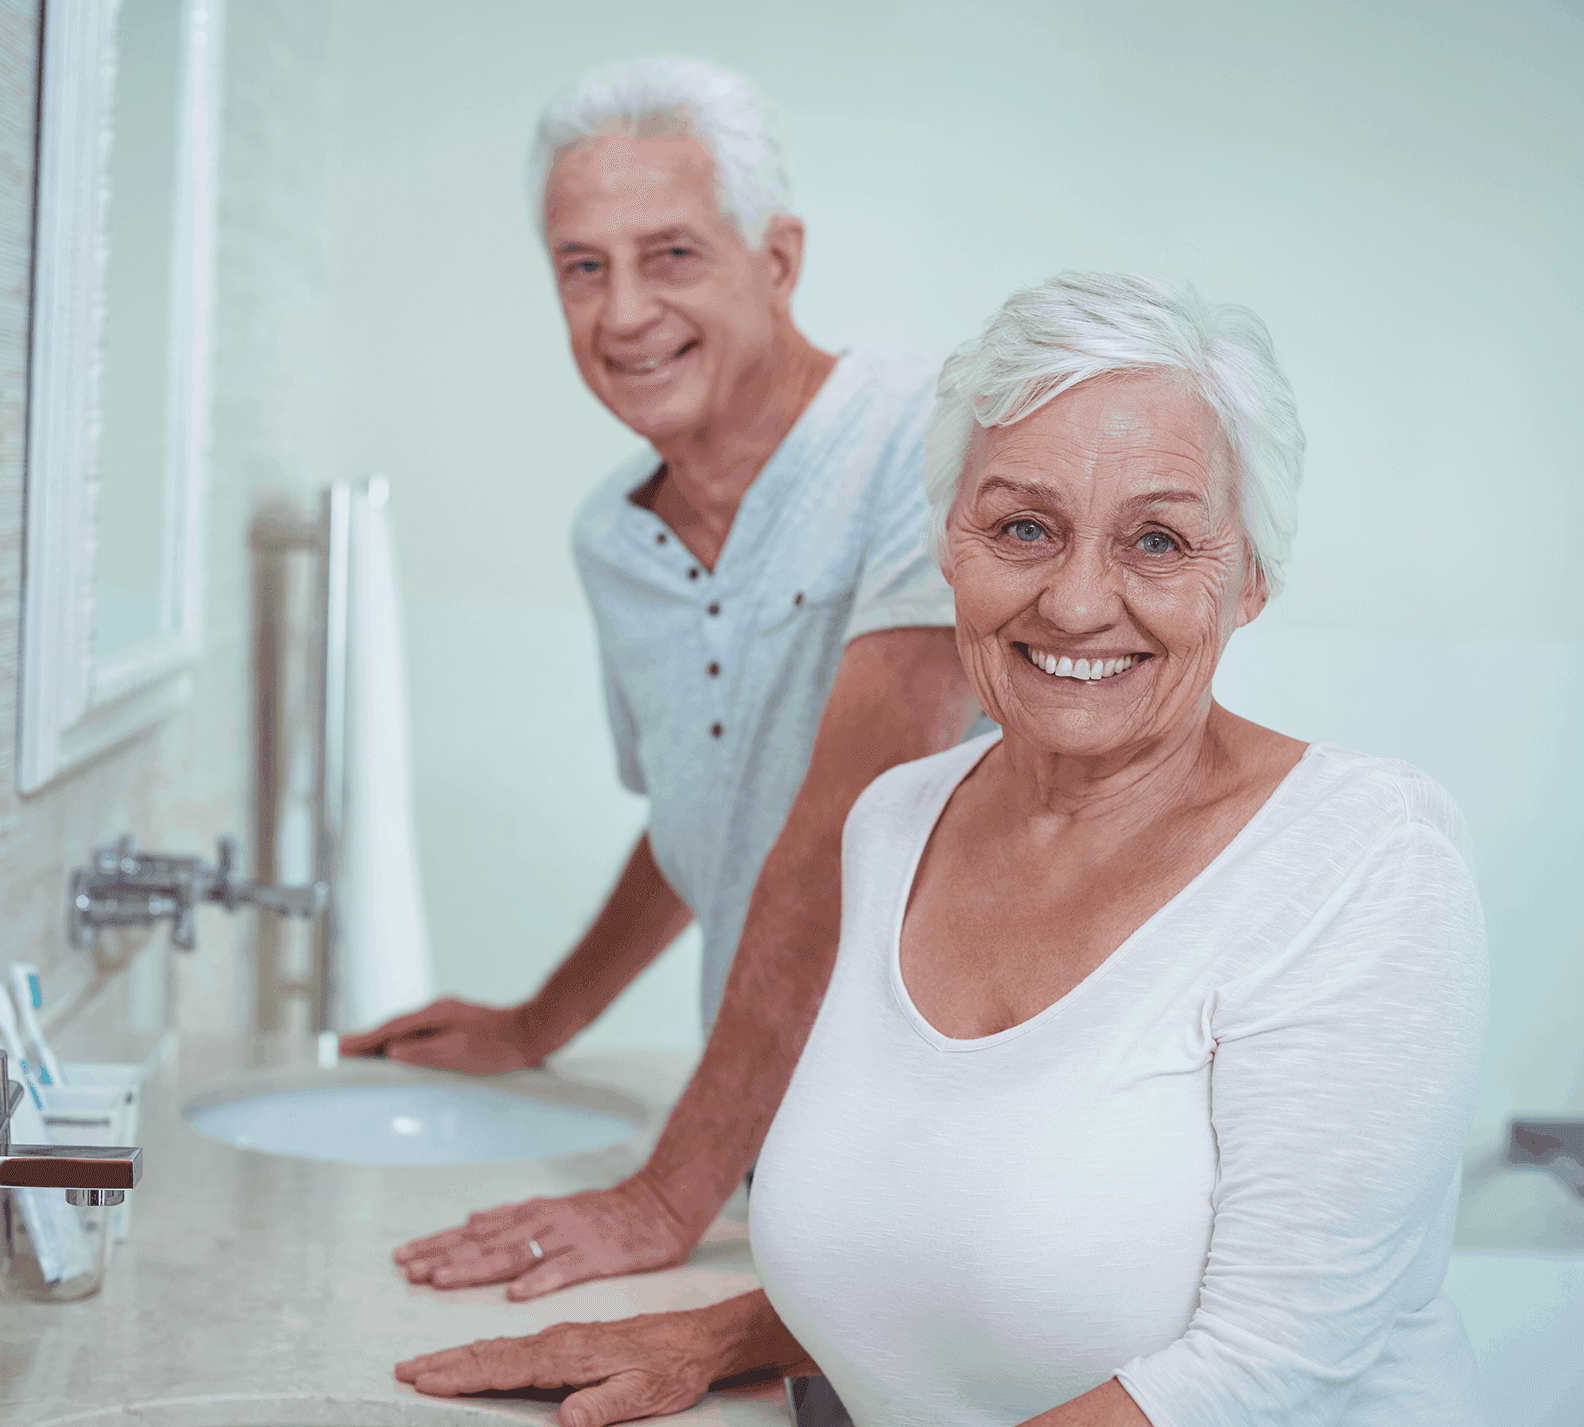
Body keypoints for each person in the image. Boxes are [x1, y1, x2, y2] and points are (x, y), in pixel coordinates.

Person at [390, 272, 1490, 1427]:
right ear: (946, 548)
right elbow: (943, 1242)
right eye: (1022, 527)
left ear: (1248, 579)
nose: (1075, 602)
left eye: (1156, 540)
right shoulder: (896, 823)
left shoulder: (1364, 855)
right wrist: (719, 1333)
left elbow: (1260, 1365)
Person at [340, 56, 982, 1296]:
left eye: (671, 254)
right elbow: (707, 816)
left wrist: (663, 1191)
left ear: (776, 259)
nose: (623, 312)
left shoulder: (926, 443)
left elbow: (838, 836)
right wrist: (540, 1019)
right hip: (776, 1170)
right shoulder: (611, 540)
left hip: (949, 1169)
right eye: (582, 267)